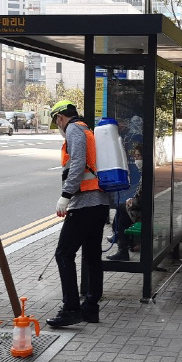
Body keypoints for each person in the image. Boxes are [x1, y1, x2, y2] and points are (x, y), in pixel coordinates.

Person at [45, 100, 109, 327]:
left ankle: (71, 309)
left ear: (60, 118)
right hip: (99, 204)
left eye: (57, 122)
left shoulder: (73, 129)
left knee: (64, 254)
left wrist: (65, 195)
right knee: (92, 256)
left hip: (85, 205)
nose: (59, 128)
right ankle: (91, 308)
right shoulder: (86, 129)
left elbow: (78, 164)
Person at [107, 144, 143, 261]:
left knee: (122, 210)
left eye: (138, 156)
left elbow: (139, 201)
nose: (136, 159)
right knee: (121, 208)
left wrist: (131, 202)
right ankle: (119, 237)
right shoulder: (149, 171)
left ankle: (122, 248)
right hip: (149, 210)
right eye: (135, 157)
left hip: (144, 214)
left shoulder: (147, 174)